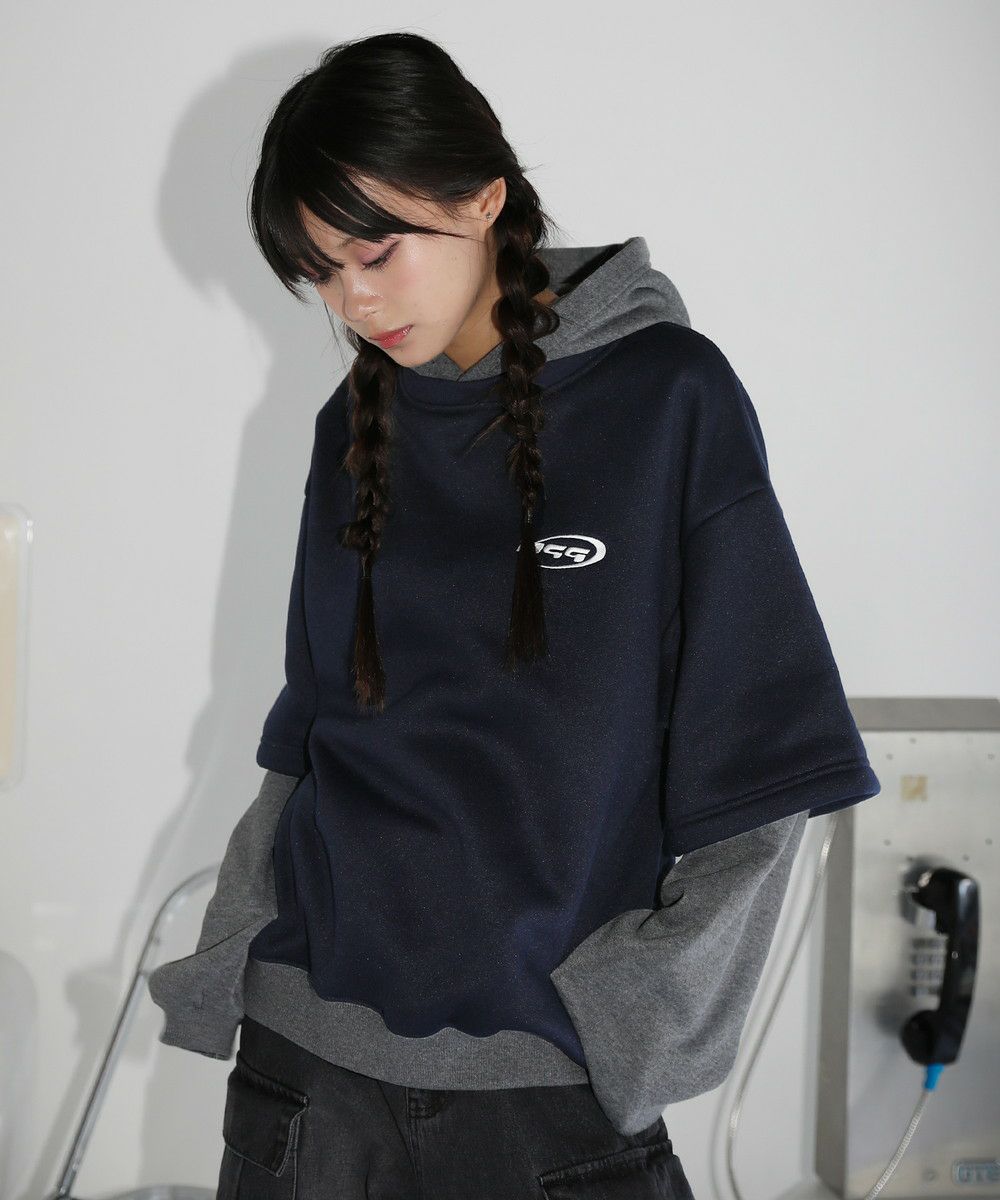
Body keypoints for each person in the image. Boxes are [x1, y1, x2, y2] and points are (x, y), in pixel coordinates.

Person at [147, 31, 881, 1199]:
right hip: (306, 1070)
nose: (352, 300)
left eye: (375, 251)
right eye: (320, 272)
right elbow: (311, 733)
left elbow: (767, 754)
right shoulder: (352, 429)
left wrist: (632, 1014)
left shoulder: (665, 398)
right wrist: (241, 942)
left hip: (543, 1091)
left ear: (483, 196)